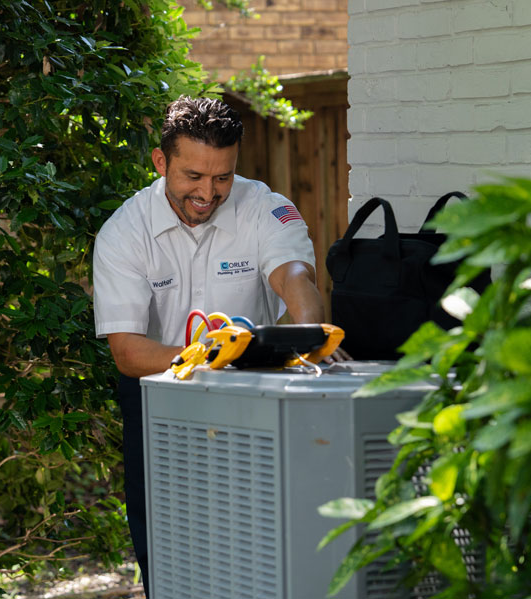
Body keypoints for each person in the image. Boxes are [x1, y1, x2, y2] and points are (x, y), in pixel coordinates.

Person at [92, 95, 337, 596]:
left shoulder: (266, 208)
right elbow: (128, 352)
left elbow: (296, 278)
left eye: (222, 177)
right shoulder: (122, 233)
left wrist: (305, 334)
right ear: (161, 162)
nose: (208, 192)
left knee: (261, 540)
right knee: (167, 549)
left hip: (252, 397)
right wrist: (209, 355)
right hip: (156, 400)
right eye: (193, 177)